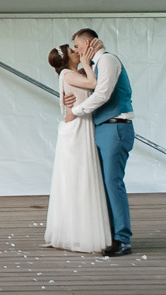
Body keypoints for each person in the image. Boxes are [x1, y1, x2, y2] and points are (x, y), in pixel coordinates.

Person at [63, 28, 136, 257]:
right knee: (103, 183)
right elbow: (90, 89)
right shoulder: (93, 67)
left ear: (88, 43)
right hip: (102, 128)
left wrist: (75, 111)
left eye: (77, 46)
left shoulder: (107, 60)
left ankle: (122, 239)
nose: (75, 51)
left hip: (115, 127)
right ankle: (111, 234)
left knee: (113, 182)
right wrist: (69, 98)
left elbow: (103, 93)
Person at [44, 44, 111, 253]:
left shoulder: (73, 74)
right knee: (78, 178)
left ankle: (78, 231)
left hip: (82, 125)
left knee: (82, 177)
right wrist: (85, 63)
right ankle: (77, 233)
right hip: (77, 128)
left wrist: (85, 63)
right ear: (67, 59)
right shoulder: (67, 74)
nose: (78, 53)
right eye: (73, 52)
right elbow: (94, 83)